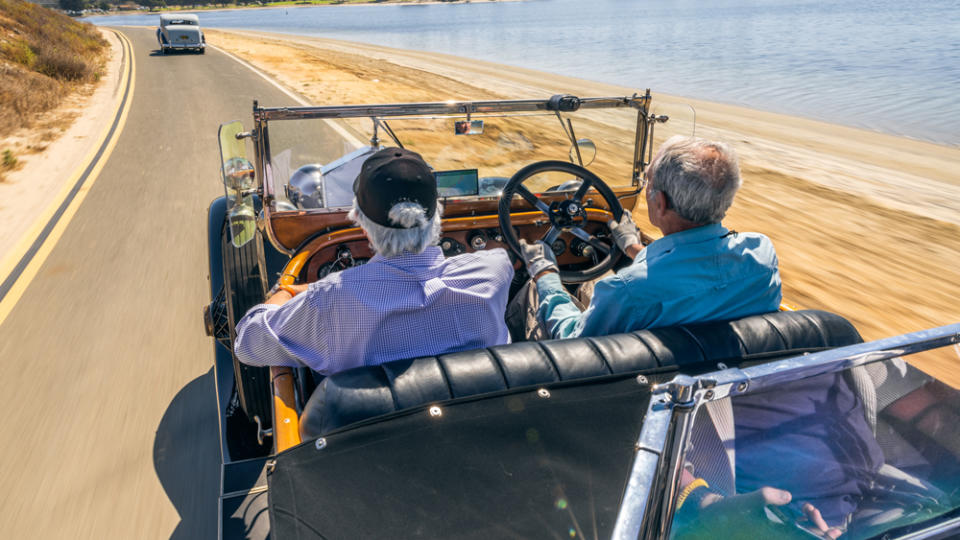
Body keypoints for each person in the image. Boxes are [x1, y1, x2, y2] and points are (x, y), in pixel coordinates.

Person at [234, 147, 514, 375]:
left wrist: (286, 291)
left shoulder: (331, 301)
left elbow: (248, 342)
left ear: (362, 224)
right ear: (437, 217)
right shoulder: (494, 271)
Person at [514, 135, 781, 340]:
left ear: (660, 202)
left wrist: (545, 272)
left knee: (535, 290)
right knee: (594, 281)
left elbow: (570, 338)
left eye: (648, 181)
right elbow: (693, 272)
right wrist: (633, 247)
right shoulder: (761, 255)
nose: (646, 188)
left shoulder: (629, 291)